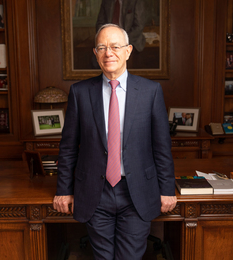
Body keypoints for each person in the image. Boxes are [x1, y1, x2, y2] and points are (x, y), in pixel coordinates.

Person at [53, 23, 176, 259]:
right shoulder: (80, 93)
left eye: (115, 46)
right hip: (94, 193)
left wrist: (167, 189)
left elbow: (162, 147)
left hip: (137, 191)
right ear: (95, 54)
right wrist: (63, 190)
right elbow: (68, 148)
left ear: (128, 51)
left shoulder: (151, 91)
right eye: (102, 47)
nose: (108, 52)